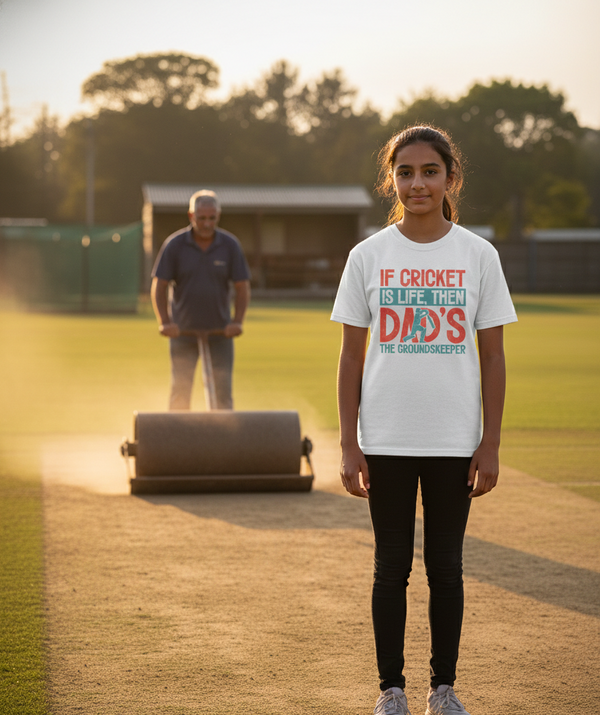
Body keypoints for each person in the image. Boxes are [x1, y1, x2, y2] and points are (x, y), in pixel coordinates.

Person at [330, 125, 517, 715]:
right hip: (384, 437)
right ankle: (391, 690)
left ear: (449, 179)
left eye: (430, 171)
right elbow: (350, 357)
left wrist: (489, 443)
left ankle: (443, 688)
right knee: (391, 570)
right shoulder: (368, 255)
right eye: (406, 172)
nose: (417, 183)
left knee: (446, 570)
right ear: (392, 179)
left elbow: (492, 355)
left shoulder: (478, 255)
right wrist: (348, 443)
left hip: (453, 440)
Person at [151, 190, 251, 410]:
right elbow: (159, 286)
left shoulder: (229, 245)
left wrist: (237, 322)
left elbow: (242, 287)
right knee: (180, 390)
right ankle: (178, 440)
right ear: (191, 216)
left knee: (222, 393)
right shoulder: (175, 245)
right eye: (201, 218)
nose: (207, 223)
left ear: (218, 216)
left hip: (220, 332)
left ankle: (222, 440)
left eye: (212, 218)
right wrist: (165, 322)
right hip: (183, 333)